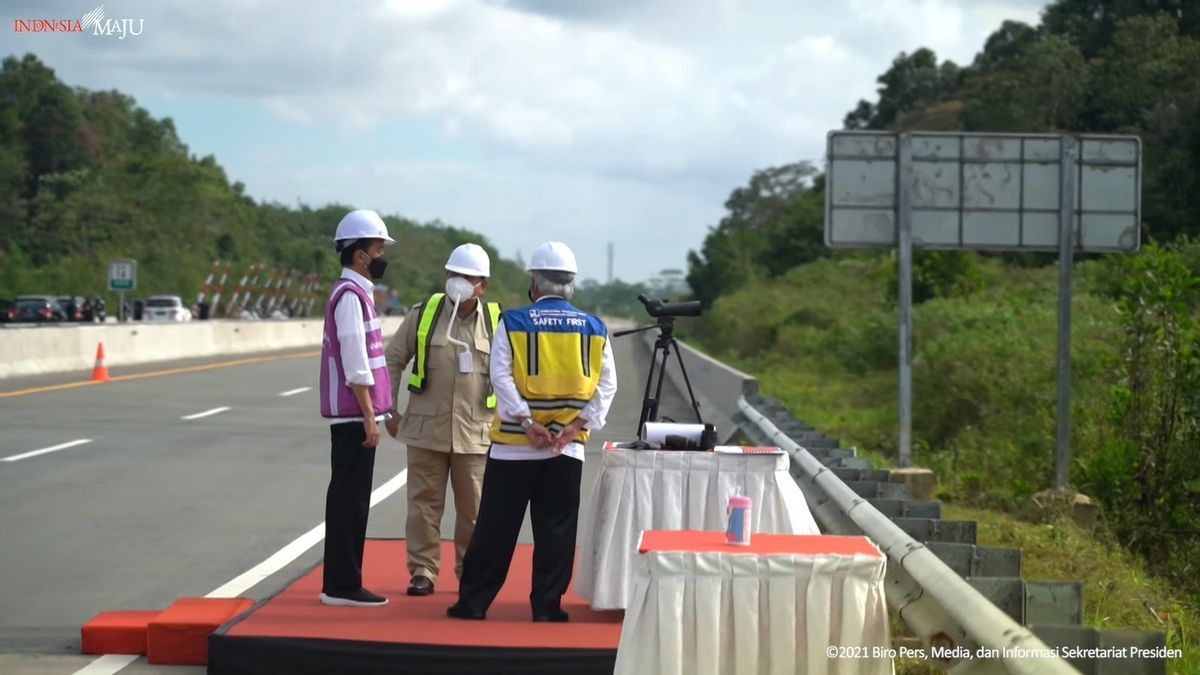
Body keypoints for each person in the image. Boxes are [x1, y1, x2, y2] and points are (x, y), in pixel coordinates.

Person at [448, 241, 617, 622]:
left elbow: (500, 376)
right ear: (571, 284)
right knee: (556, 531)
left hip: (514, 445)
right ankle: (547, 606)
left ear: (535, 284)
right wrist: (575, 426)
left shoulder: (514, 321)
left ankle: (473, 602)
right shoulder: (595, 328)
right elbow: (607, 386)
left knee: (495, 527)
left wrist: (527, 422)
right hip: (566, 450)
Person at [384, 243, 502, 597]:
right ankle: (423, 570)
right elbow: (392, 360)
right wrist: (389, 409)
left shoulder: (498, 323)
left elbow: (513, 377)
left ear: (483, 284)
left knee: (475, 512)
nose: (458, 282)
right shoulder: (424, 315)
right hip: (425, 430)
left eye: (467, 277)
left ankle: (470, 571)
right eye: (453, 274)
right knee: (423, 505)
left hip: (476, 433)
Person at [318, 208, 396, 607]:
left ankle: (341, 581)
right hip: (353, 418)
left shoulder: (357, 294)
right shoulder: (350, 296)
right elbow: (356, 362)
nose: (383, 255)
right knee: (349, 501)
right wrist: (370, 415)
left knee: (350, 499)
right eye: (379, 248)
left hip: (358, 415)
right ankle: (342, 585)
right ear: (361, 255)